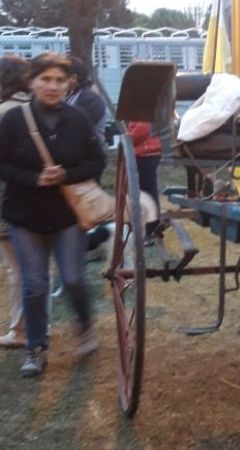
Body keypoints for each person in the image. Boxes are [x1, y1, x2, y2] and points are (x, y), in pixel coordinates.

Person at [0, 52, 106, 377]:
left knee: (73, 278)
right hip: (25, 214)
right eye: (45, 79)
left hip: (66, 215)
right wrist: (34, 178)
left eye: (60, 80)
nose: (52, 86)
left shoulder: (77, 118)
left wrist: (66, 175)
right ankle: (35, 347)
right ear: (31, 82)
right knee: (34, 285)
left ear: (68, 83)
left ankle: (85, 328)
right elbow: (2, 164)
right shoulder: (13, 120)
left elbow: (97, 161)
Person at [0, 56, 30, 348]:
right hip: (39, 201)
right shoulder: (35, 110)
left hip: (8, 202)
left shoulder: (4, 112)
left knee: (17, 269)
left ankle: (21, 329)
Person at [128, 121, 162, 244]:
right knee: (147, 191)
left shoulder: (141, 106)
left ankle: (151, 229)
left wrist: (127, 138)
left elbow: (142, 129)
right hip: (145, 152)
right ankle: (151, 228)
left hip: (146, 152)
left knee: (147, 192)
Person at [66, 56, 109, 145]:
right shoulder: (73, 94)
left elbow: (78, 128)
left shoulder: (89, 99)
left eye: (62, 77)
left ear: (73, 78)